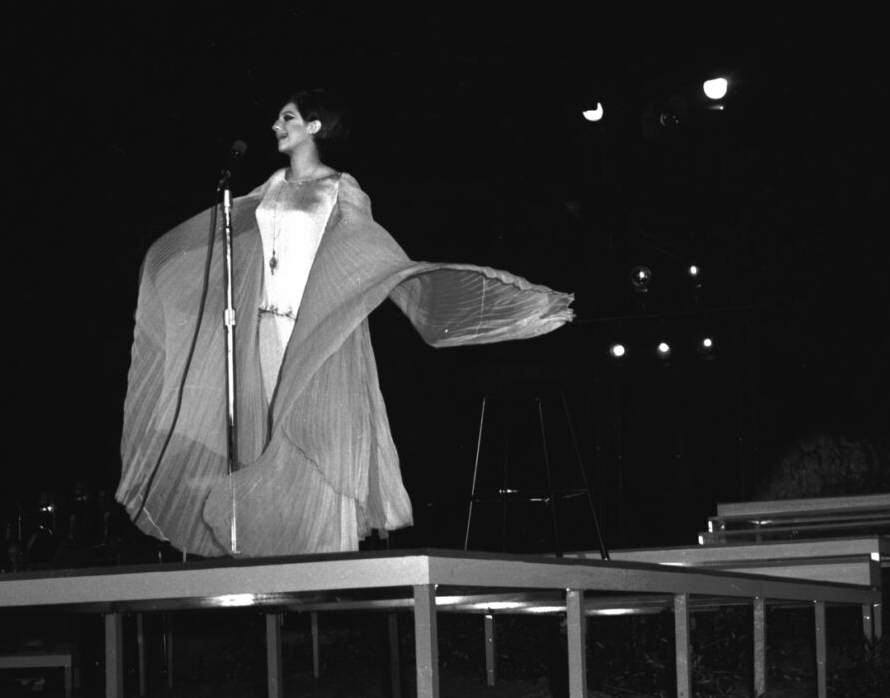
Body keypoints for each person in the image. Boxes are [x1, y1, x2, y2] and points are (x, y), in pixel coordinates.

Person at [118, 89, 573, 558]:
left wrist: (412, 278)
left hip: (317, 329)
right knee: (270, 435)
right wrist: (169, 259)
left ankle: (323, 557)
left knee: (316, 432)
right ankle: (274, 557)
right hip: (265, 329)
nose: (276, 125)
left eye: (287, 117)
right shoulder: (270, 186)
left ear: (315, 127)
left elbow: (369, 248)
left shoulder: (341, 188)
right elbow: (230, 233)